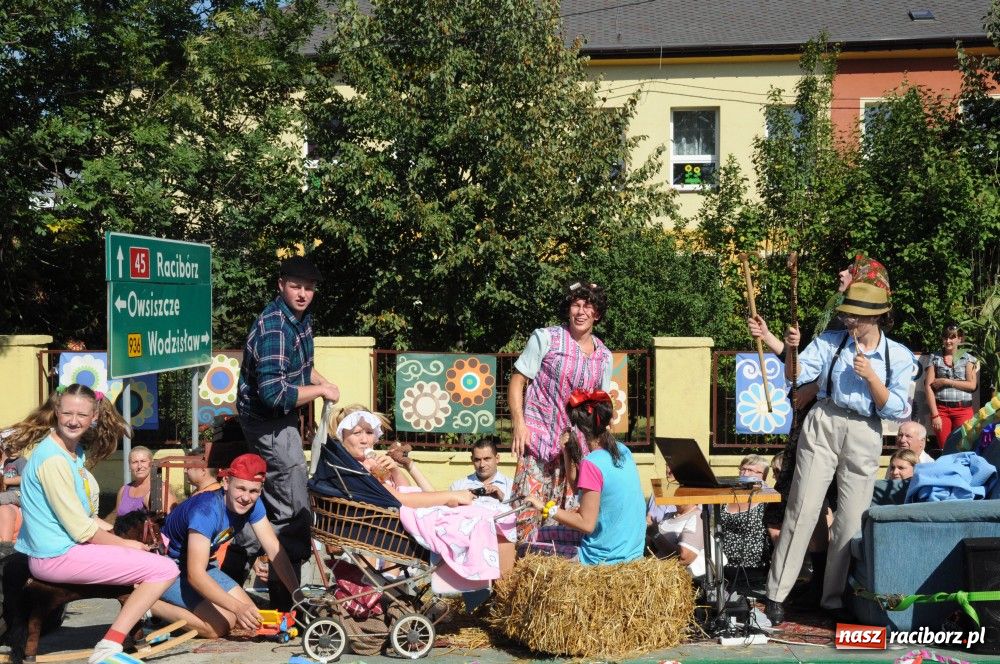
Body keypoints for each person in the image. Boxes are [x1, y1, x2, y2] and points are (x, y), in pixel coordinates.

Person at [763, 281, 915, 625]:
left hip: (866, 430)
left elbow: (895, 409)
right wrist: (791, 350)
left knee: (850, 520)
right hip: (825, 420)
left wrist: (873, 378)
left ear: (875, 318)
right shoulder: (832, 342)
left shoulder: (899, 356)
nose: (848, 320)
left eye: (855, 316)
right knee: (802, 507)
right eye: (846, 314)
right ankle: (776, 595)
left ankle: (831, 600)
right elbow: (795, 376)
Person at [7, 384, 179, 664]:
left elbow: (85, 515)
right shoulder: (53, 460)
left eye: (81, 415)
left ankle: (136, 619)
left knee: (162, 547)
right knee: (165, 569)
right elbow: (81, 529)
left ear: (94, 416)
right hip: (55, 556)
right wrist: (126, 544)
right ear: (56, 412)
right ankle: (110, 645)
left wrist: (118, 534)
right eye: (67, 413)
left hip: (65, 549)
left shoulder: (73, 454)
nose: (73, 420)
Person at [236, 255, 341, 610]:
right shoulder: (274, 328)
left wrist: (323, 381)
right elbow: (275, 393)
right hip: (269, 424)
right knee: (294, 510)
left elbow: (301, 369)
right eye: (295, 286)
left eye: (309, 288)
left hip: (280, 422)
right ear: (280, 285)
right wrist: (322, 392)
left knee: (274, 507)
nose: (303, 293)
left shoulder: (299, 319)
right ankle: (287, 602)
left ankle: (230, 576)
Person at [328, 405, 515, 574]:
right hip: (397, 528)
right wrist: (450, 496)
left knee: (496, 516)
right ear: (342, 436)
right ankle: (501, 592)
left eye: (369, 432)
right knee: (490, 518)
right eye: (356, 432)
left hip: (402, 519)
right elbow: (401, 500)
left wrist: (394, 469)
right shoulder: (356, 469)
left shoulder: (368, 463)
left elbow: (404, 489)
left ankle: (498, 588)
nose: (364, 439)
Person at [509, 281, 612, 548]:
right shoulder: (545, 338)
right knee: (527, 513)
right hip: (538, 441)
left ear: (597, 314)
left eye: (587, 306)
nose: (580, 311)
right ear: (568, 310)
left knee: (568, 516)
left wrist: (599, 449)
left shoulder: (604, 356)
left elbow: (599, 407)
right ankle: (518, 575)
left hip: (576, 451)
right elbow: (518, 380)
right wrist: (519, 425)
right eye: (575, 305)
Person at [152, 454, 301, 638]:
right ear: (226, 482)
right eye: (241, 488)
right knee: (219, 627)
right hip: (166, 567)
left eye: (253, 491)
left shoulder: (253, 506)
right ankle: (149, 604)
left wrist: (297, 595)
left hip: (202, 566)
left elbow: (274, 549)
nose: (246, 497)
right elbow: (195, 575)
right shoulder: (205, 511)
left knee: (251, 617)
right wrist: (237, 608)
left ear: (260, 490)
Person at [525, 390, 645, 565]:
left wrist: (546, 508)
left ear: (579, 430)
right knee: (542, 533)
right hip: (633, 554)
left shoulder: (592, 463)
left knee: (526, 545)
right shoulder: (622, 451)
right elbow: (579, 489)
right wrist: (567, 452)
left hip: (603, 559)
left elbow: (586, 524)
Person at [925, 322, 979, 448]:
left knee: (963, 447)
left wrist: (946, 381)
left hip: (963, 410)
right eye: (945, 337)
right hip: (942, 411)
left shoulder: (968, 358)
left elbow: (972, 385)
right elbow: (928, 386)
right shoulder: (935, 357)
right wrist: (935, 415)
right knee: (945, 448)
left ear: (959, 339)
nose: (948, 341)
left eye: (952, 337)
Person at [114, 446, 175, 516]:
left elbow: (170, 521)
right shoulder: (123, 490)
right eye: (134, 462)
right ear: (129, 466)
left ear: (152, 463)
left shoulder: (161, 489)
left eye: (143, 461)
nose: (139, 466)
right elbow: (117, 520)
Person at [449, 437, 513, 504]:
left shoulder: (510, 486)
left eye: (487, 459)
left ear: (497, 458)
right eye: (477, 460)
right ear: (472, 460)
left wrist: (502, 497)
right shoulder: (458, 486)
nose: (482, 465)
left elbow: (520, 511)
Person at [0, 451, 26, 544]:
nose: (13, 450)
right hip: (9, 493)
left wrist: (6, 481)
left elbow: (25, 478)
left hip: (19, 493)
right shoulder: (7, 462)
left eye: (17, 447)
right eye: (9, 448)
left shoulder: (21, 461)